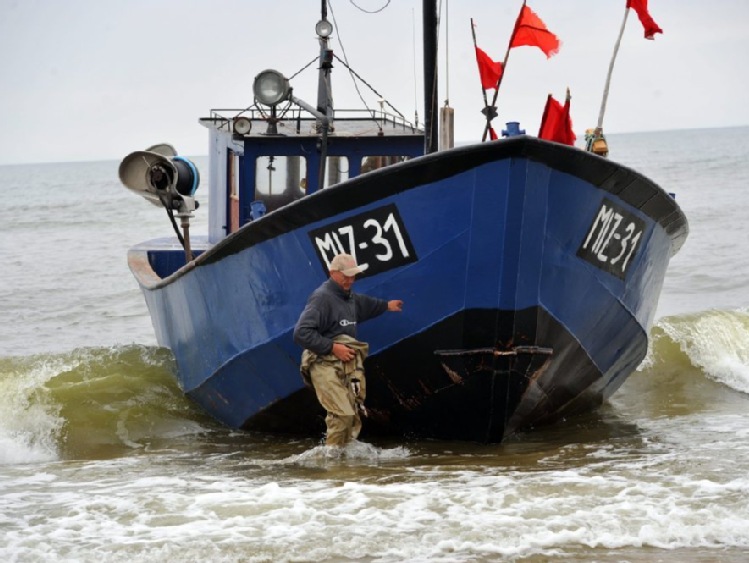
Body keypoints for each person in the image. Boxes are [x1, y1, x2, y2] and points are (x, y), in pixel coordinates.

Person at [293, 253, 403, 447]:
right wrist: (333, 347)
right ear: (332, 273)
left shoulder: (349, 296)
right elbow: (301, 333)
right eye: (346, 276)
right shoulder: (322, 298)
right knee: (342, 414)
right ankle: (332, 466)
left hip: (347, 363)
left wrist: (387, 306)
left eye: (353, 275)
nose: (351, 280)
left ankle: (344, 465)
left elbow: (365, 305)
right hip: (323, 363)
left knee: (353, 416)